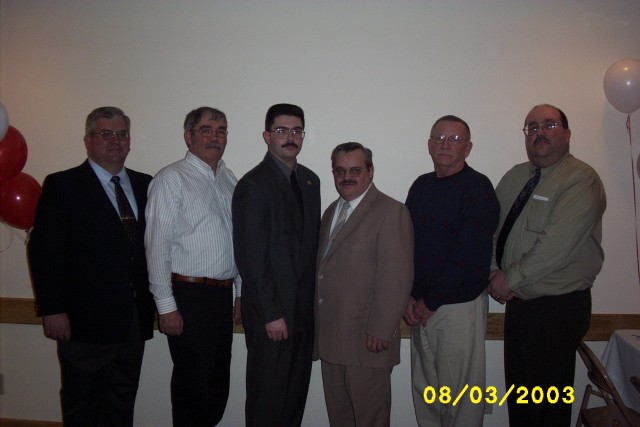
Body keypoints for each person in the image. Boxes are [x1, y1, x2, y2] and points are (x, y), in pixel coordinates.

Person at [28, 106, 156, 427]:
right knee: (82, 406)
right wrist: (53, 309)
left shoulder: (146, 185)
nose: (116, 141)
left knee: (121, 403)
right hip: (83, 325)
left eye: (122, 134)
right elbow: (46, 252)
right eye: (106, 134)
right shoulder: (63, 185)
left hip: (132, 322)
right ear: (88, 140)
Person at [487, 104, 606, 426]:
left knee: (547, 405)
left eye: (549, 125)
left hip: (558, 309)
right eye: (532, 127)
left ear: (567, 134)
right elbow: (492, 229)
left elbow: (556, 245)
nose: (539, 132)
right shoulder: (514, 177)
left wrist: (508, 279)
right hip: (521, 306)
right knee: (521, 400)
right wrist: (493, 270)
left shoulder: (581, 180)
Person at [145, 107, 241, 427]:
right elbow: (156, 248)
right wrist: (166, 306)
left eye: (221, 130)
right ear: (189, 137)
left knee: (217, 383)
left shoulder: (229, 179)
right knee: (192, 386)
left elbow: (237, 242)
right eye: (206, 130)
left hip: (220, 296)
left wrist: (239, 293)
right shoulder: (170, 180)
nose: (215, 136)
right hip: (187, 295)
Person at [404, 115, 499, 427]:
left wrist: (430, 302)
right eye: (439, 138)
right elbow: (406, 245)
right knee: (427, 392)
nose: (445, 144)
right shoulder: (420, 186)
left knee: (460, 398)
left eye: (454, 139)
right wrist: (408, 297)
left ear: (468, 148)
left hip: (458, 308)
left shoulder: (478, 188)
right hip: (419, 307)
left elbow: (469, 257)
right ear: (430, 145)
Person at [232, 103, 321, 427]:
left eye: (296, 130)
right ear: (267, 136)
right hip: (272, 319)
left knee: (294, 400)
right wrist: (271, 314)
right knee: (267, 401)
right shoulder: (252, 186)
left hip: (303, 317)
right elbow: (250, 258)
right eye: (282, 131)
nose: (290, 137)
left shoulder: (311, 181)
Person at [315, 142, 414, 427]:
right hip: (331, 339)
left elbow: (397, 274)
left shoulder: (391, 212)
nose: (347, 177)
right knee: (340, 419)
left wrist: (382, 329)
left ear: (370, 172)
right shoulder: (331, 211)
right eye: (340, 171)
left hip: (368, 340)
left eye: (355, 170)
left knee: (371, 419)